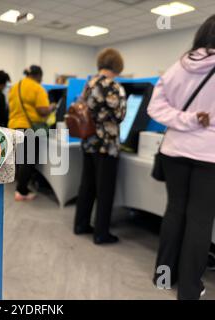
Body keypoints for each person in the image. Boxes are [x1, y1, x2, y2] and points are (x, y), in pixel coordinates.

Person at [148, 15, 215, 300]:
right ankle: (189, 290)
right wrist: (196, 121)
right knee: (200, 220)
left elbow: (155, 107)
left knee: (175, 211)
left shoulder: (179, 65)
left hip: (173, 151)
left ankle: (163, 277)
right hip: (209, 155)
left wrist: (185, 120)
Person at [74, 48, 126, 245]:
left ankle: (81, 224)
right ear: (117, 65)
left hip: (88, 141)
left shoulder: (89, 84)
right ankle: (101, 233)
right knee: (105, 190)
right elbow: (119, 115)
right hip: (106, 145)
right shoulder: (113, 86)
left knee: (87, 185)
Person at [8, 65, 56, 201]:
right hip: (28, 128)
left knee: (20, 159)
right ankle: (21, 191)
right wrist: (52, 107)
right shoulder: (37, 88)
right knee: (28, 161)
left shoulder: (15, 87)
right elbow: (42, 110)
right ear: (39, 75)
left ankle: (20, 185)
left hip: (13, 126)